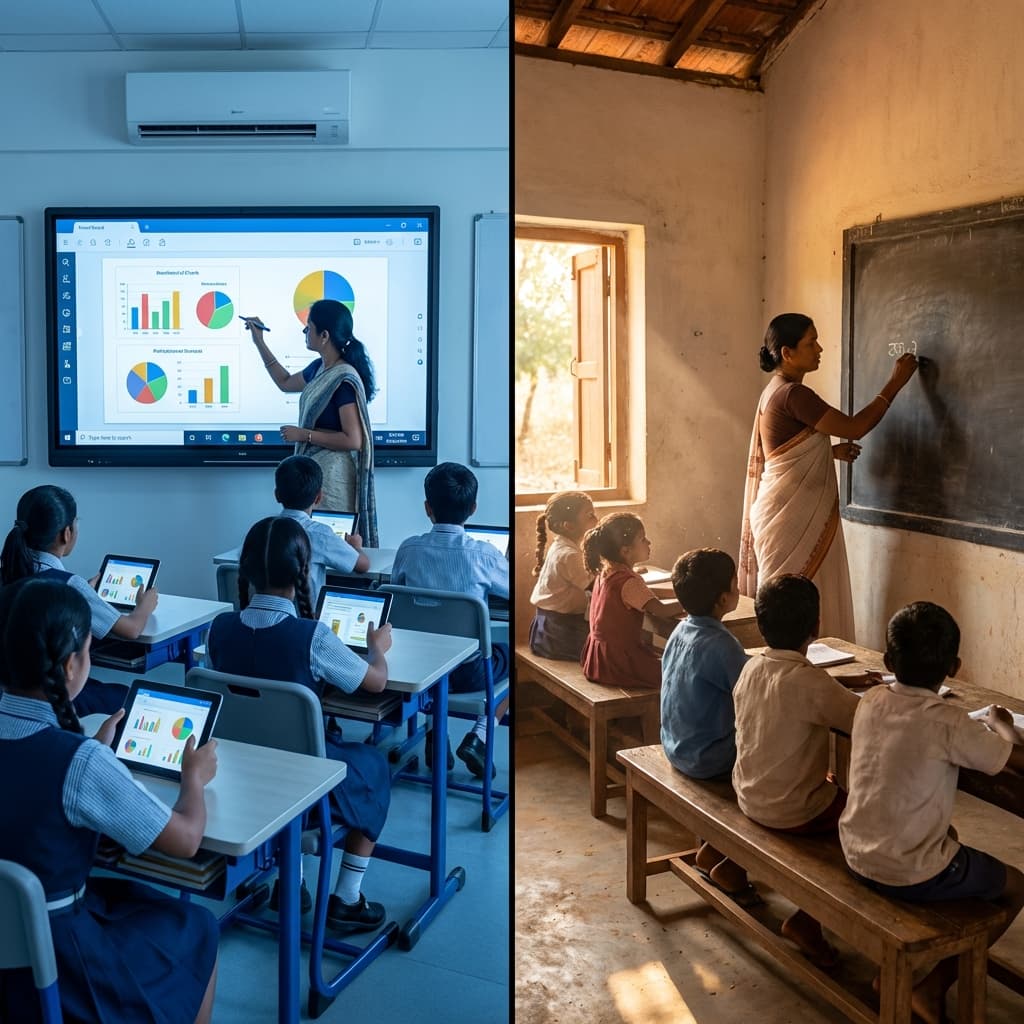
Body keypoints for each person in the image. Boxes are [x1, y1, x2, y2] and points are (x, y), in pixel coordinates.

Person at [0, 579, 218, 1024]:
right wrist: (193, 778)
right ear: (70, 666)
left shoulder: (79, 755)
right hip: (56, 963)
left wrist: (89, 750)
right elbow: (187, 840)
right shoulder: (80, 762)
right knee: (195, 928)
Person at [839, 602, 1024, 1023]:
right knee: (1016, 885)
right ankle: (930, 987)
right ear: (955, 667)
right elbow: (1010, 758)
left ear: (888, 660)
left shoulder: (870, 700)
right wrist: (1001, 722)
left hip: (854, 852)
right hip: (906, 870)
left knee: (949, 836)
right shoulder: (950, 722)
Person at [206, 516, 392, 933]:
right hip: (303, 779)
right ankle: (347, 897)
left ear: (246, 570)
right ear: (303, 571)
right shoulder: (313, 635)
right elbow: (375, 683)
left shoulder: (219, 628)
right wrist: (377, 650)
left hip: (240, 773)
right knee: (374, 766)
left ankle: (295, 881)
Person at [738, 313, 918, 638]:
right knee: (797, 608)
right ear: (787, 353)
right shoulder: (794, 395)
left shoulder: (774, 390)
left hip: (779, 514)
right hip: (789, 520)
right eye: (811, 343)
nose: (819, 348)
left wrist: (828, 453)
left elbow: (785, 452)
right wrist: (895, 382)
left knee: (787, 614)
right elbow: (855, 427)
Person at [732, 574, 874, 968]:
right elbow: (862, 720)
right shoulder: (809, 681)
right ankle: (809, 921)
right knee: (871, 826)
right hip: (793, 810)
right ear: (815, 626)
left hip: (748, 794)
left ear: (760, 623)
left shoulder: (751, 668)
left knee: (828, 783)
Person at [390, 462, 509, 779]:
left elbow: (395, 592)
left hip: (418, 668)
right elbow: (515, 590)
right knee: (520, 660)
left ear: (427, 508)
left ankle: (435, 732)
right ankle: (480, 736)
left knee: (433, 645)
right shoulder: (484, 554)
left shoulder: (408, 549)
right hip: (468, 675)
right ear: (473, 508)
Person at [0, 484, 158, 716]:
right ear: (66, 533)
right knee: (128, 697)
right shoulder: (69, 586)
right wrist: (144, 606)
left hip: (9, 693)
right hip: (53, 696)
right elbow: (132, 630)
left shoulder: (7, 571)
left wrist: (83, 593)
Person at [660, 549, 756, 904]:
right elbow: (751, 692)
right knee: (775, 769)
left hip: (676, 744)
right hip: (708, 758)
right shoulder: (721, 644)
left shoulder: (681, 630)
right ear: (723, 598)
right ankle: (731, 861)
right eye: (734, 584)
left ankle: (715, 853)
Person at [242, 299, 379, 546]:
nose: (304, 332)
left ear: (324, 335)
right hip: (315, 473)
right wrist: (259, 342)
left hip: (333, 477)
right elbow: (284, 382)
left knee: (329, 548)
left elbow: (354, 439)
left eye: (309, 328)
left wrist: (304, 435)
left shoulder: (344, 378)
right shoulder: (320, 368)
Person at [579, 513, 677, 689]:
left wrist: (677, 593)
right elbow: (661, 610)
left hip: (598, 659)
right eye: (643, 539)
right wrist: (692, 600)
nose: (649, 543)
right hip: (619, 664)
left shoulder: (607, 572)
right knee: (678, 675)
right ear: (626, 551)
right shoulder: (629, 581)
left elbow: (645, 594)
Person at [274, 454, 370, 598]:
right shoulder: (319, 534)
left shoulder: (262, 530)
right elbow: (363, 566)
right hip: (307, 617)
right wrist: (356, 546)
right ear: (318, 497)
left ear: (277, 495)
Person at [528, 490, 597, 661]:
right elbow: (595, 586)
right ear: (569, 526)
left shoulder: (563, 547)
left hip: (545, 629)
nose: (596, 519)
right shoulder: (569, 555)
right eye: (589, 515)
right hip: (560, 633)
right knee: (609, 650)